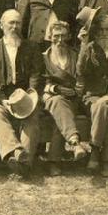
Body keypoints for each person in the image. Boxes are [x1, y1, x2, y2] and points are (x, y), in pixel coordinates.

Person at [0, 9, 44, 176]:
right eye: (11, 23)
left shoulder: (31, 47)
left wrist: (29, 97)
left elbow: (36, 74)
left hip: (26, 97)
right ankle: (16, 152)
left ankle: (23, 163)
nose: (15, 26)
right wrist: (3, 100)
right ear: (2, 25)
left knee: (32, 116)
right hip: (3, 99)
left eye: (18, 23)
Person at [76, 11, 108, 177]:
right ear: (95, 32)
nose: (104, 34)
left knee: (107, 106)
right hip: (92, 96)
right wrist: (83, 45)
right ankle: (107, 160)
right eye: (101, 30)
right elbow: (80, 72)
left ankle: (95, 152)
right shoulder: (89, 49)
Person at [42, 21, 89, 176]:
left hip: (73, 99)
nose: (59, 40)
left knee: (61, 116)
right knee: (57, 102)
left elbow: (81, 76)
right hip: (50, 98)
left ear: (69, 36)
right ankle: (75, 142)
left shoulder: (75, 55)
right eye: (56, 36)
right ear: (50, 37)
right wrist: (55, 88)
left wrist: (77, 90)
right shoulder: (43, 58)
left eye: (63, 36)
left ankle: (54, 162)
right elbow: (37, 83)